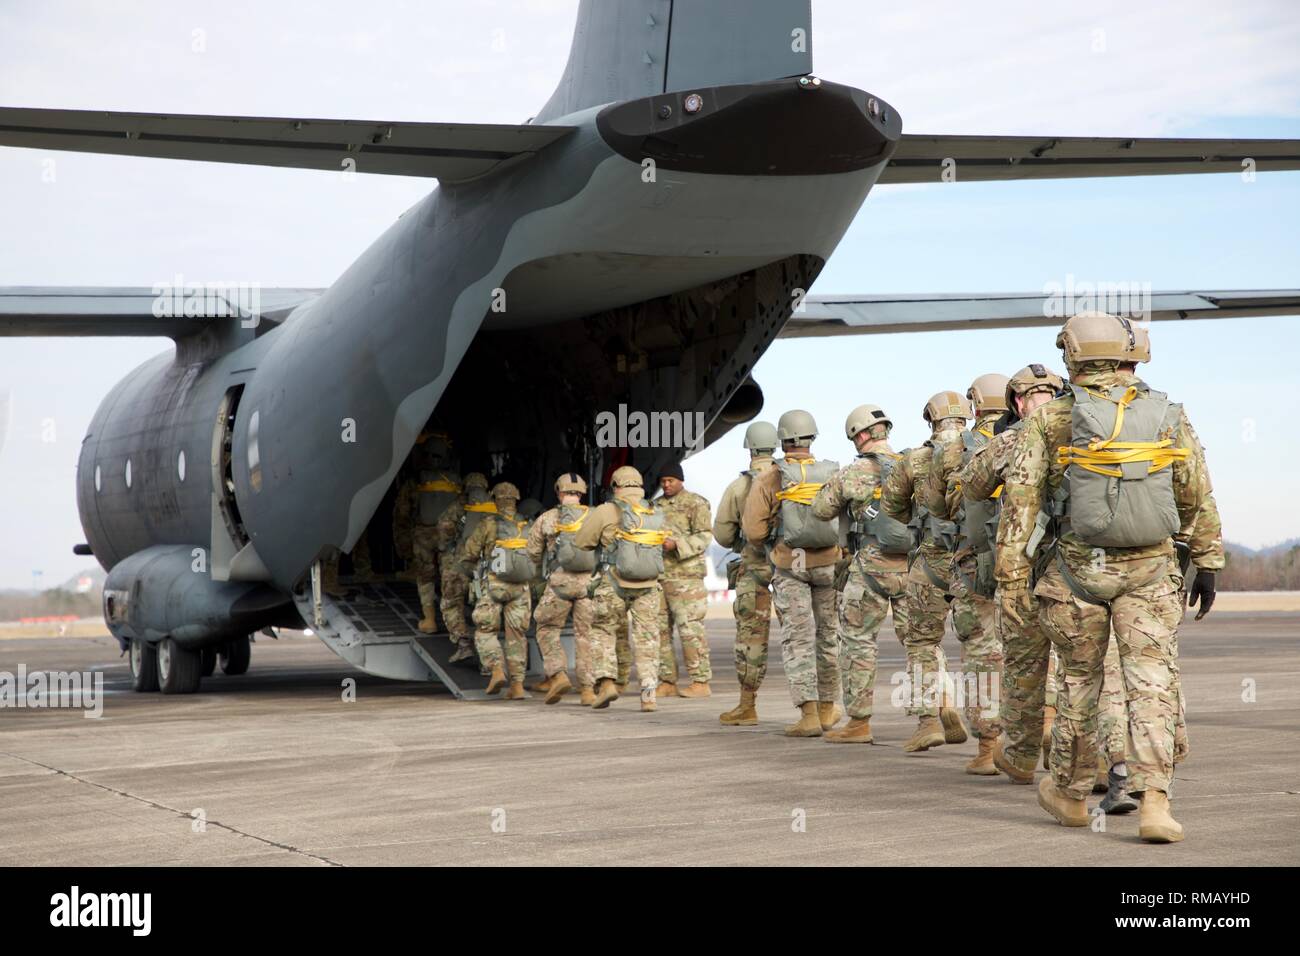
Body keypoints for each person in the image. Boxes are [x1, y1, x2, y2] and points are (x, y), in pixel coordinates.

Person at [997, 311, 1222, 843]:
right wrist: (1208, 560)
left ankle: (1073, 797)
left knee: (1079, 681)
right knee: (1152, 683)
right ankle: (1155, 805)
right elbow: (1196, 492)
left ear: (1071, 356)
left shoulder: (1049, 420)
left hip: (1077, 576)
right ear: (1129, 353)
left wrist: (1010, 579)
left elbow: (1020, 507)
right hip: (1150, 572)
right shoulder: (1167, 412)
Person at [922, 374, 1010, 773]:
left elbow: (935, 508)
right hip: (1025, 563)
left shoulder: (956, 449)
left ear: (974, 406)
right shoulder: (1034, 436)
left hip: (973, 565)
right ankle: (1042, 731)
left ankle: (988, 749)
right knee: (1035, 652)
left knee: (980, 655)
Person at [880, 391, 974, 753]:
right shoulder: (984, 448)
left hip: (931, 563)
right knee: (982, 644)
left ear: (930, 420)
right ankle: (992, 737)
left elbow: (892, 507)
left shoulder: (915, 459)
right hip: (974, 562)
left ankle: (929, 720)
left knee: (921, 641)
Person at [812, 404, 911, 743]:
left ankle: (859, 723)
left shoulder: (855, 470)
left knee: (857, 641)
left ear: (863, 435)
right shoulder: (912, 465)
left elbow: (821, 508)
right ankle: (935, 714)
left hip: (871, 564)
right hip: (912, 567)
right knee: (922, 643)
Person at [742, 410, 842, 737]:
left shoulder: (772, 476)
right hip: (828, 563)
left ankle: (809, 715)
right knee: (829, 636)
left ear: (782, 439)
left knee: (798, 639)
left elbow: (753, 531)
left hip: (792, 564)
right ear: (812, 437)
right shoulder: (831, 472)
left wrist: (774, 533)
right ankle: (829, 709)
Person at [574, 465, 667, 712]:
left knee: (603, 630)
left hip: (613, 582)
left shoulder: (606, 510)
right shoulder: (654, 510)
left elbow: (582, 542)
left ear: (615, 486)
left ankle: (606, 684)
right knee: (648, 639)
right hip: (648, 584)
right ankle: (648, 695)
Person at [713, 422, 778, 726]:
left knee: (751, 636)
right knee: (806, 636)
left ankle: (747, 705)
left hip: (754, 567)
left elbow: (723, 536)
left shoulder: (739, 487)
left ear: (750, 448)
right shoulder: (789, 478)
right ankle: (819, 708)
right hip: (794, 565)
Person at [458, 482, 535, 698]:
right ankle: (518, 686)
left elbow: (470, 552)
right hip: (520, 587)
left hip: (493, 585)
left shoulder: (488, 524)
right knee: (517, 635)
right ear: (516, 499)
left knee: (485, 630)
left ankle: (496, 669)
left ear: (495, 500)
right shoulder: (527, 525)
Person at [527, 473, 596, 705]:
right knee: (586, 635)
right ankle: (587, 690)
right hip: (590, 585)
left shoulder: (548, 518)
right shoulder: (594, 516)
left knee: (546, 628)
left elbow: (533, 554)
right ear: (582, 492)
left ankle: (557, 675)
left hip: (560, 583)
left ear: (559, 492)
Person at [654, 463, 714, 698]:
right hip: (660, 576)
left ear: (681, 480)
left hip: (687, 579)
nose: (667, 485)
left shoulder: (696, 503)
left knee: (690, 630)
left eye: (671, 481)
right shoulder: (655, 506)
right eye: (663, 481)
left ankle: (700, 681)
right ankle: (667, 680)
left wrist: (677, 545)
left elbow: (705, 535)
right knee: (660, 631)